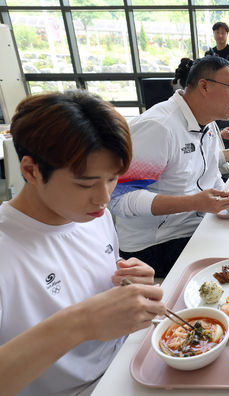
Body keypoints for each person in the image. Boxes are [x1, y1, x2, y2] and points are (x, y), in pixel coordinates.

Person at [0, 91, 166, 396]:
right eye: (85, 183)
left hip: (127, 365)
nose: (104, 198)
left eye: (113, 179)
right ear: (31, 171)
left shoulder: (92, 214)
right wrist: (78, 323)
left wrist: (125, 282)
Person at [109, 56, 229, 277]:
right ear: (204, 85)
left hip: (196, 225)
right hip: (155, 245)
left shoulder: (208, 122)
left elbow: (212, 175)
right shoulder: (159, 127)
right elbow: (119, 198)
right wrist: (193, 202)